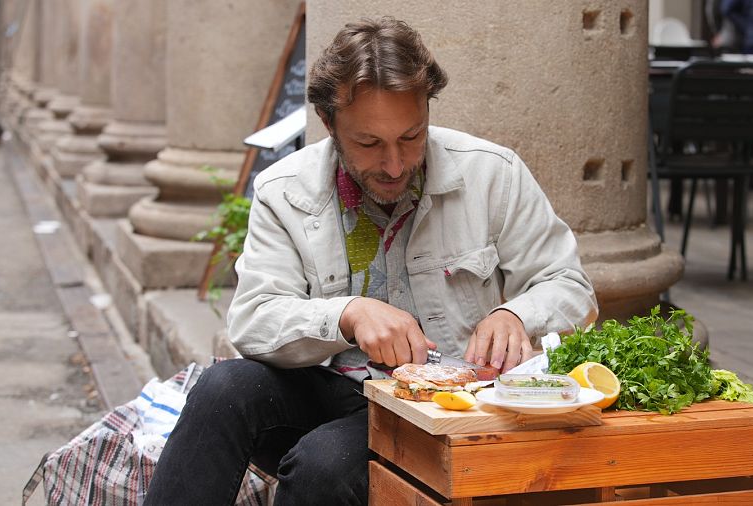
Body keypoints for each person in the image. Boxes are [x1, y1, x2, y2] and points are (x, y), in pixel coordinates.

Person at [144, 16, 597, 506]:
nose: (395, 164)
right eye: (369, 144)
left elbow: (569, 285)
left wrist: (516, 314)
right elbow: (254, 320)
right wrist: (346, 314)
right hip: (327, 389)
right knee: (221, 387)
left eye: (411, 136)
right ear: (328, 124)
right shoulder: (283, 190)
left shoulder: (494, 174)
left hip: (443, 410)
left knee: (323, 465)